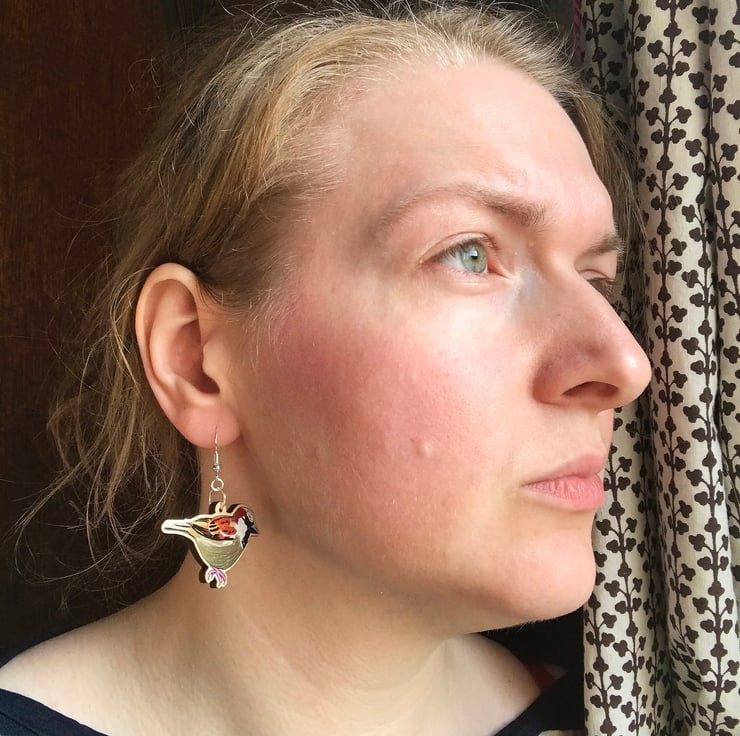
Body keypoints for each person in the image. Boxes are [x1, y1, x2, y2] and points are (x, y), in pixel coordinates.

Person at [0, 2, 652, 734]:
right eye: (469, 254)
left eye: (596, 280)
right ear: (196, 362)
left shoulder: (631, 713)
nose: (624, 364)